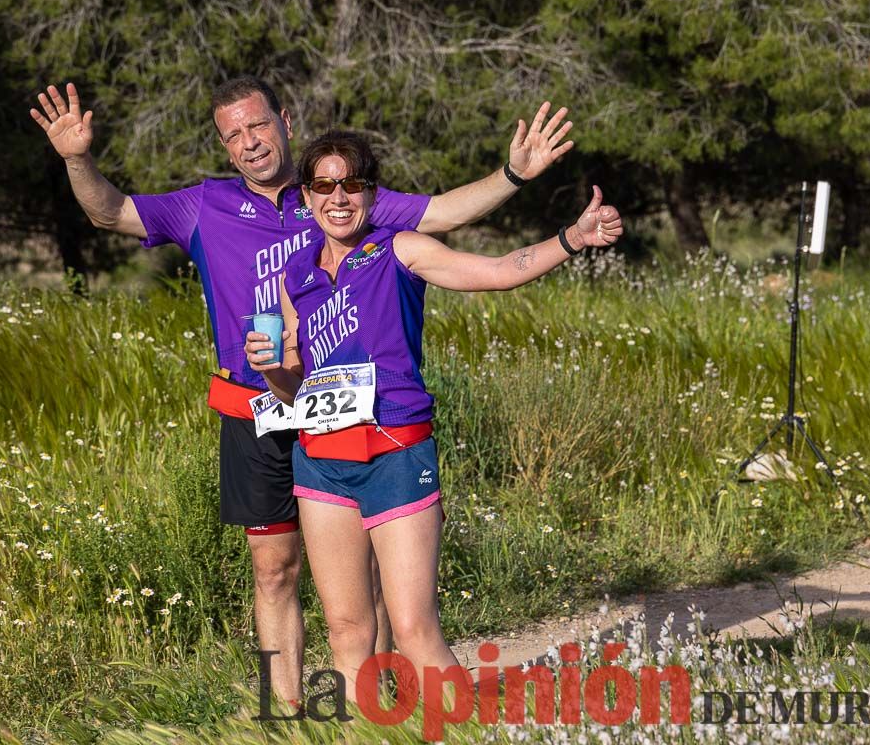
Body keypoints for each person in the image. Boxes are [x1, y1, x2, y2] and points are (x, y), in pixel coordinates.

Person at [30, 77, 575, 705]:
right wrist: (76, 158)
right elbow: (107, 211)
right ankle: (283, 711)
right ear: (224, 145)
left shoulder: (332, 192)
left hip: (346, 403)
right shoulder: (203, 205)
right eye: (233, 134)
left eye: (258, 125)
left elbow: (448, 213)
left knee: (368, 571)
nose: (249, 142)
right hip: (256, 405)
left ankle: (386, 698)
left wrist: (514, 172)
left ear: (284, 121)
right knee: (274, 569)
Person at [245, 131, 621, 701]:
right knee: (348, 632)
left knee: (416, 631)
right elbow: (293, 388)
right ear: (306, 195)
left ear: (371, 195)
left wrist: (571, 238)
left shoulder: (401, 249)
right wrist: (271, 369)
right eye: (324, 185)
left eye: (353, 184)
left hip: (395, 452)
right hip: (320, 462)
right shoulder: (294, 275)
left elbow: (499, 270)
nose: (338, 197)